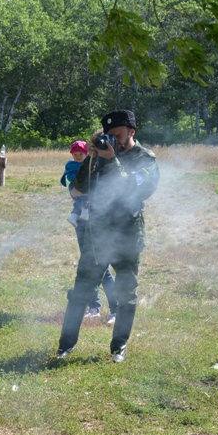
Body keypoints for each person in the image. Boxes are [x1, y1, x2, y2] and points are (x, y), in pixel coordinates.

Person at [56, 110, 159, 363]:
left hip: (127, 234)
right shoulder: (100, 155)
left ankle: (119, 346)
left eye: (118, 135)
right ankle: (65, 346)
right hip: (98, 233)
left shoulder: (144, 159)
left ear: (132, 132)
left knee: (126, 294)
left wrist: (111, 160)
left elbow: (133, 188)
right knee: (81, 290)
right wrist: (91, 159)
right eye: (108, 135)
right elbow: (79, 188)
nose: (113, 140)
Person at [62, 140, 118, 322]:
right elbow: (74, 191)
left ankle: (116, 309)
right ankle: (94, 307)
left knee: (102, 267)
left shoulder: (106, 169)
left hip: (100, 223)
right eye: (76, 154)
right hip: (82, 223)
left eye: (83, 154)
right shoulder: (78, 169)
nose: (79, 157)